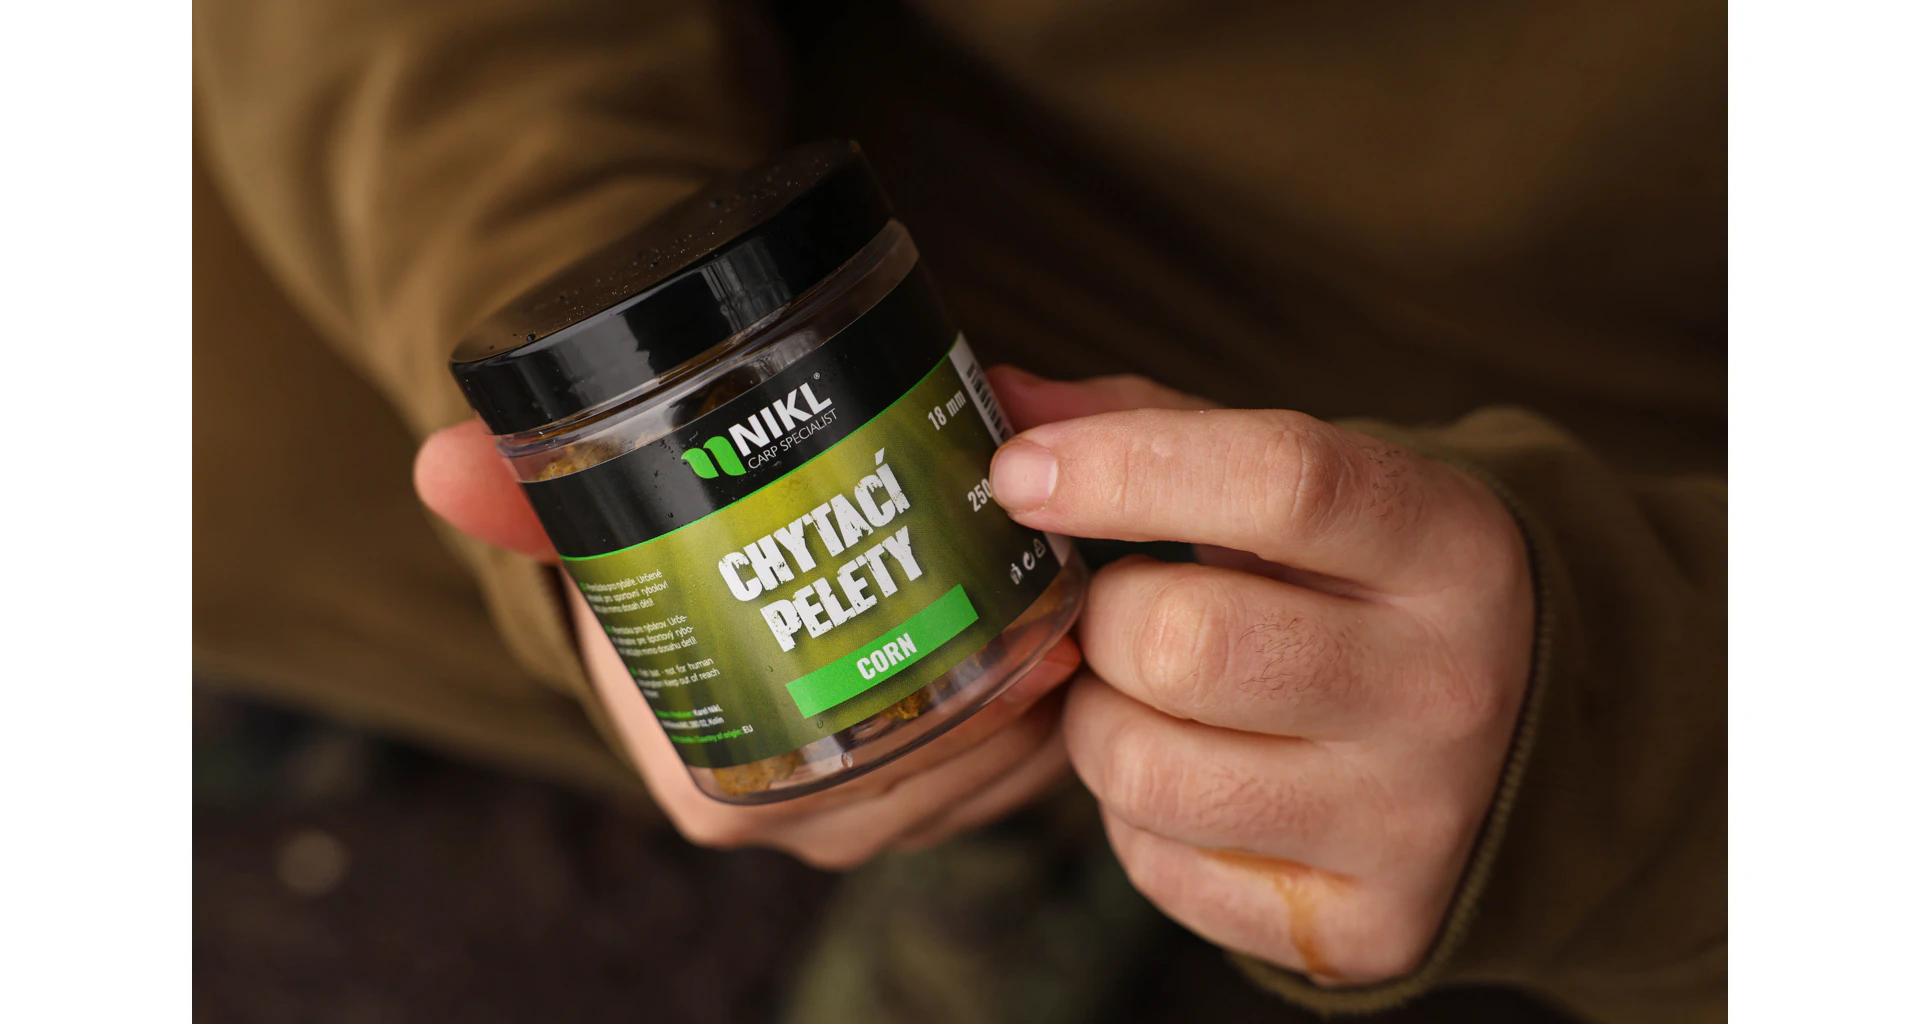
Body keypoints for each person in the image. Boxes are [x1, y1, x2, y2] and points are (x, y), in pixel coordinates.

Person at [194, 1, 1725, 1021]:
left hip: (1621, 428)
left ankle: (1111, 802)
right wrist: (563, 253)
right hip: (875, 187)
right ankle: (1026, 794)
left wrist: (1623, 721)